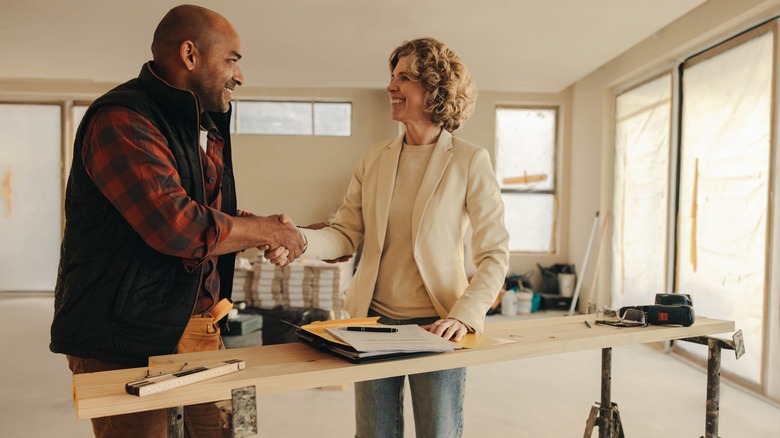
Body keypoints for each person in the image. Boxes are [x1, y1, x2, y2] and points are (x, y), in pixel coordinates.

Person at [49, 5, 303, 437]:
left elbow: (205, 211)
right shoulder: (123, 118)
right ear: (190, 54)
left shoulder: (195, 124)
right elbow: (177, 225)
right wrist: (264, 230)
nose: (240, 76)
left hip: (197, 324)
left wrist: (263, 227)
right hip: (125, 338)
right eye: (233, 59)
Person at [292, 37, 510, 438]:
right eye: (392, 77)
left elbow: (495, 253)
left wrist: (464, 315)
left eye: (404, 78)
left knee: (438, 433)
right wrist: (298, 241)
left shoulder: (469, 160)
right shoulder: (373, 158)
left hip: (438, 325)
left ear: (435, 89)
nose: (391, 87)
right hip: (370, 323)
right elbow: (344, 235)